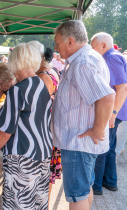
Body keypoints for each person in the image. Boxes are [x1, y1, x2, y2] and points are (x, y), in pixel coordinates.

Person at [52, 20, 115, 210]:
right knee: (84, 189)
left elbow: (106, 97)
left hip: (77, 143)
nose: (55, 47)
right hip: (80, 143)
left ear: (70, 41)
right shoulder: (86, 58)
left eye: (57, 42)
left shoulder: (82, 62)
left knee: (77, 196)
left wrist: (97, 130)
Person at [0, 42, 53, 209]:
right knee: (37, 204)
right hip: (42, 153)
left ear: (15, 62)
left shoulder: (18, 90)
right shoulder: (40, 84)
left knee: (19, 204)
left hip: (22, 158)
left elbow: (5, 132)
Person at [90, 32, 127, 195]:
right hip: (116, 110)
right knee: (109, 147)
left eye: (93, 47)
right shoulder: (113, 56)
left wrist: (112, 114)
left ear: (103, 46)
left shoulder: (111, 58)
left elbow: (122, 88)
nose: (92, 50)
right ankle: (110, 182)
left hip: (114, 110)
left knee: (102, 147)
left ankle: (97, 185)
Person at [29, 41, 61, 209]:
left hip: (45, 131)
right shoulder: (52, 70)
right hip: (51, 129)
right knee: (48, 174)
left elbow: (38, 109)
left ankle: (43, 205)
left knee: (45, 174)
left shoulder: (42, 76)